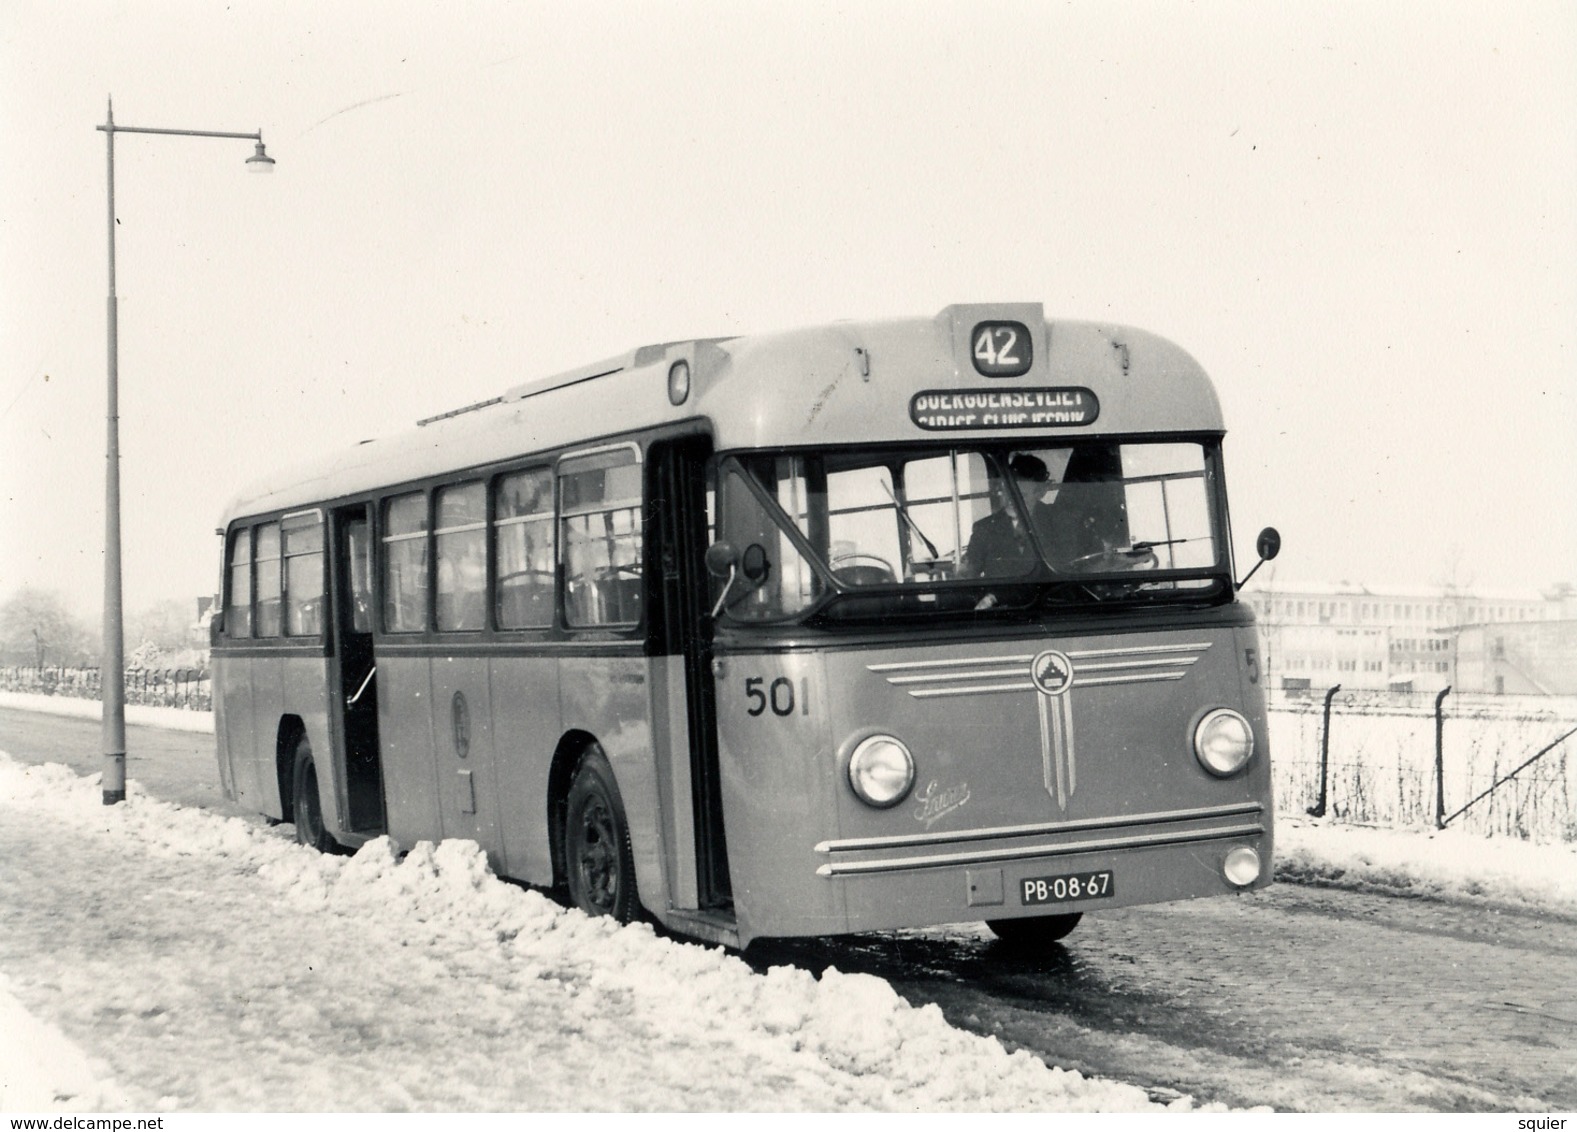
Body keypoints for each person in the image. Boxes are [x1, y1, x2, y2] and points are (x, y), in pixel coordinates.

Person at [961, 453, 1054, 579]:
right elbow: (968, 575)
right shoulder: (984, 529)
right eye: (1007, 491)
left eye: (1022, 495)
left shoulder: (1058, 521)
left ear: (1041, 492)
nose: (1011, 500)